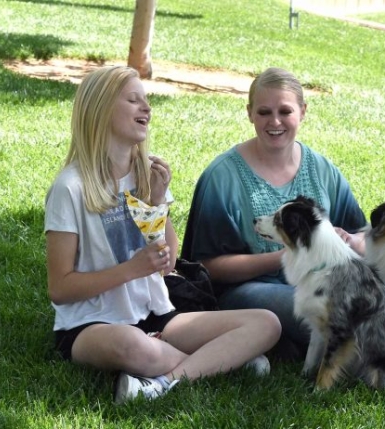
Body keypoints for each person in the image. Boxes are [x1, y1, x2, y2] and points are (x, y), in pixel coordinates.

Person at [44, 65, 281, 404]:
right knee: (131, 345)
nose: (147, 108)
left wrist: (157, 202)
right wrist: (130, 269)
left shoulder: (147, 175)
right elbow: (60, 288)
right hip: (91, 325)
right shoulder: (70, 188)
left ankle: (163, 381)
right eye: (133, 100)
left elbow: (167, 258)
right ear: (100, 108)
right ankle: (224, 363)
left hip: (158, 316)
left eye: (147, 100)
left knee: (266, 323)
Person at [181, 67, 367, 359]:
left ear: (303, 112)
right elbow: (207, 268)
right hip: (248, 292)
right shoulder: (222, 178)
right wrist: (283, 257)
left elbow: (364, 236)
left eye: (285, 111)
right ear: (249, 113)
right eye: (264, 112)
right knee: (331, 314)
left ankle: (286, 347)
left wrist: (353, 241)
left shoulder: (322, 170)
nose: (275, 121)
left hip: (321, 285)